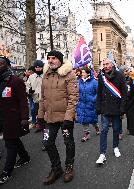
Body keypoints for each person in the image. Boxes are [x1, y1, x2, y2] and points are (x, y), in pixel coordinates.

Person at [37, 50, 79, 185]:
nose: (50, 60)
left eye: (53, 58)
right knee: (46, 142)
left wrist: (69, 117)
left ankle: (69, 167)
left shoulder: (69, 75)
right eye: (49, 58)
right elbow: (42, 98)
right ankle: (56, 169)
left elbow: (73, 98)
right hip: (49, 118)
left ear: (60, 60)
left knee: (68, 142)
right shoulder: (46, 75)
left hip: (65, 118)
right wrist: (40, 115)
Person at [0, 55, 30, 184]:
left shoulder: (15, 81)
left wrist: (24, 118)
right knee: (13, 139)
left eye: (0, 63)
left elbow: (23, 101)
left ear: (7, 65)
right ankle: (25, 157)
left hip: (12, 118)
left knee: (10, 143)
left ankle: (7, 171)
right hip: (0, 118)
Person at [95, 58, 127, 164]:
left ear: (112, 65)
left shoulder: (120, 76)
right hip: (105, 108)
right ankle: (102, 153)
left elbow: (124, 93)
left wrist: (123, 108)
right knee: (104, 130)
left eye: (107, 64)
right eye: (103, 64)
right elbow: (99, 93)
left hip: (117, 108)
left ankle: (115, 147)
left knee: (116, 129)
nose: (105, 66)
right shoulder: (101, 77)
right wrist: (98, 107)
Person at [76, 67, 100, 142]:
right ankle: (86, 134)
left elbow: (98, 93)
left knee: (93, 119)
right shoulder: (79, 81)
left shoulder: (94, 82)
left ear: (88, 73)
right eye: (81, 72)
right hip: (82, 104)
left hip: (91, 104)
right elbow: (77, 92)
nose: (82, 74)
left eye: (83, 72)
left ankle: (96, 127)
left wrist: (93, 99)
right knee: (84, 120)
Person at [26, 60, 44, 133]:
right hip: (35, 98)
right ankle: (39, 125)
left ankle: (45, 127)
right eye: (36, 67)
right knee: (36, 112)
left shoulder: (46, 76)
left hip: (45, 98)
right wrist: (29, 91)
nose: (38, 69)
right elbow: (27, 86)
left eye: (40, 67)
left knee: (44, 113)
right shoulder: (31, 77)